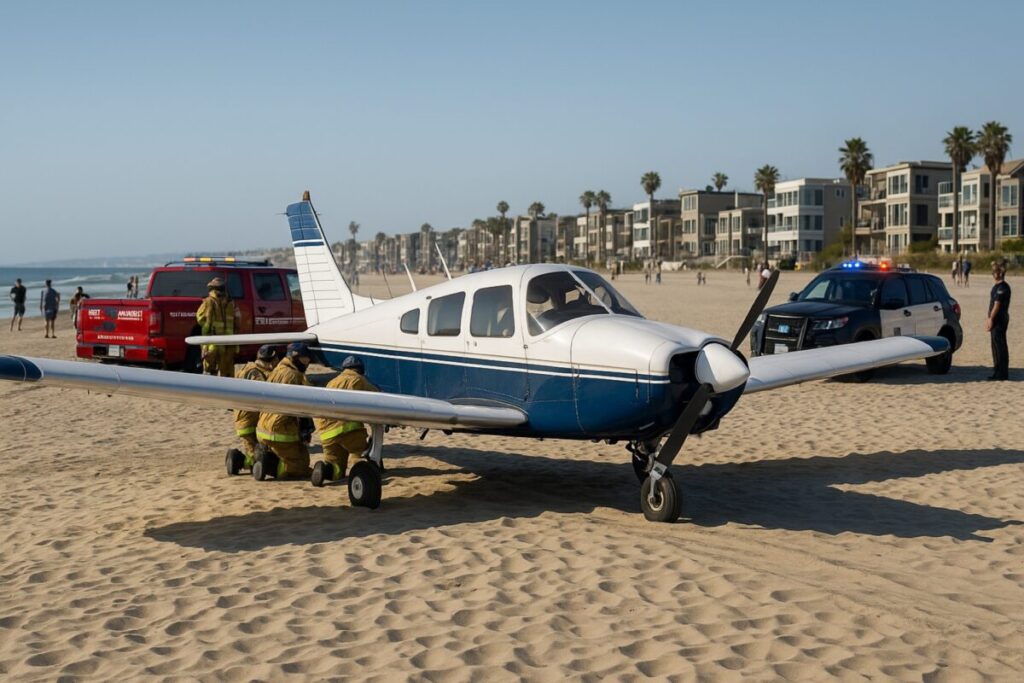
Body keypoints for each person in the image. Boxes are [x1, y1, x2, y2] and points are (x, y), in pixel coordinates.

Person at [311, 355, 380, 486]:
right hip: (348, 430)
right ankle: (359, 471)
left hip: (326, 434)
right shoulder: (358, 380)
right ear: (360, 369)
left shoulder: (331, 382)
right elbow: (376, 397)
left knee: (336, 465)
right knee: (359, 455)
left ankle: (326, 470)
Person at [255, 342, 314, 479]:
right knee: (300, 466)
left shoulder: (277, 370)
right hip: (279, 430)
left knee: (287, 452)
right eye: (305, 360)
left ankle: (266, 457)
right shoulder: (295, 376)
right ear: (295, 357)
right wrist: (306, 431)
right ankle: (271, 466)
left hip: (262, 428)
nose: (307, 364)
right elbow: (302, 406)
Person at [227, 345, 280, 474]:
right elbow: (263, 398)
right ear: (271, 360)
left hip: (240, 417)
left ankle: (236, 461)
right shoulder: (258, 374)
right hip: (251, 419)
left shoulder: (245, 369)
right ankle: (255, 464)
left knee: (250, 447)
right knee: (257, 452)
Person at [195, 277, 237, 377]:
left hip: (214, 343)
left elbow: (200, 318)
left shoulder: (209, 302)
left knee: (212, 371)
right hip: (225, 343)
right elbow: (237, 322)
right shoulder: (230, 303)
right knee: (224, 370)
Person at [986, 263, 1011, 381]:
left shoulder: (1003, 287)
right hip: (995, 319)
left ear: (1000, 273)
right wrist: (989, 318)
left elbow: (997, 305)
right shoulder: (996, 286)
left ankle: (1002, 373)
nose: (994, 274)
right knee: (995, 346)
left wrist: (991, 319)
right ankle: (997, 371)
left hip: (1000, 319)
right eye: (994, 272)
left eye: (996, 272)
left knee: (1000, 346)